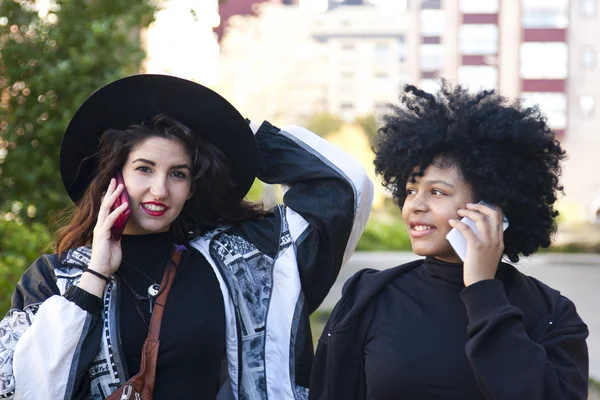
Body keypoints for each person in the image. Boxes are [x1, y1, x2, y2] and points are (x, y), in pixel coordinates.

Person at [0, 74, 373, 399]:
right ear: (114, 177)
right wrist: (95, 274)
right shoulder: (51, 278)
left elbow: (342, 187)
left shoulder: (237, 262)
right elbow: (27, 387)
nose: (160, 190)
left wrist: (240, 134)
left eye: (178, 174)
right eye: (144, 169)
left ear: (193, 186)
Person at [309, 82, 589, 400]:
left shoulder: (551, 313)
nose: (414, 205)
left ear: (491, 206)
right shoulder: (368, 298)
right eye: (411, 190)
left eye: (437, 192)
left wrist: (483, 291)